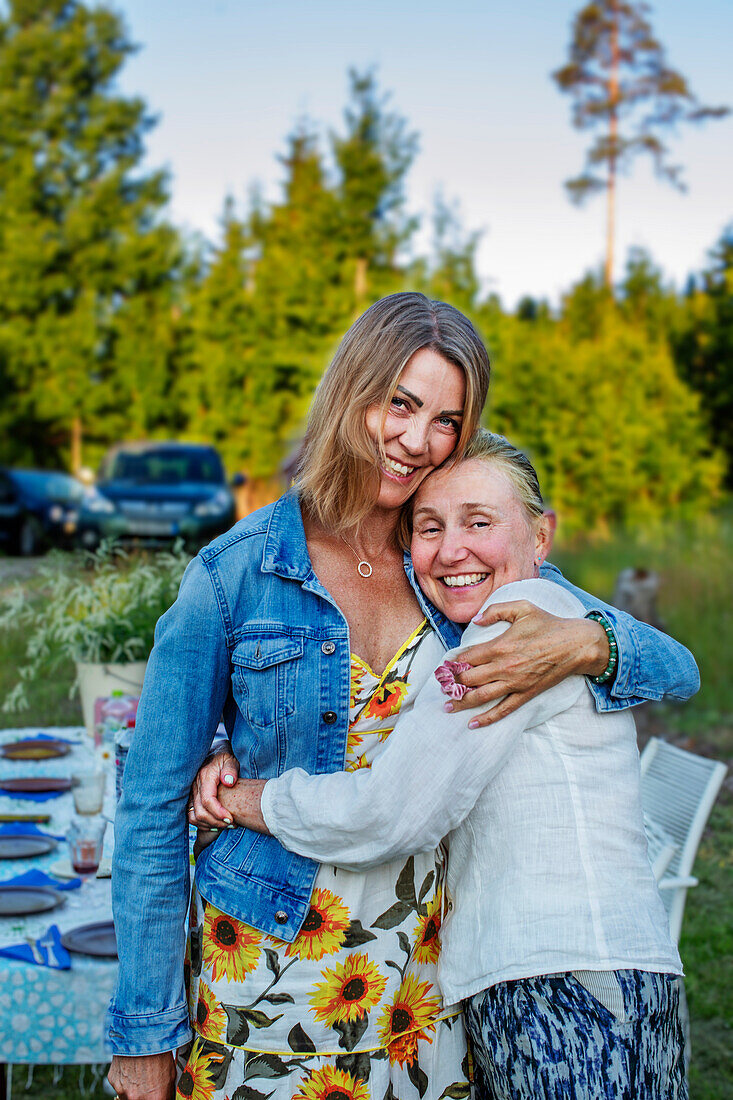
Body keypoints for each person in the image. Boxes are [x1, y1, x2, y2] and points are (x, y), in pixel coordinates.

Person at [108, 293, 697, 1100]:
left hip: (431, 986)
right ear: (351, 393)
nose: (419, 440)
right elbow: (149, 806)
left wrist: (588, 642)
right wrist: (144, 1034)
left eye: (447, 421)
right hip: (267, 980)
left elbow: (672, 666)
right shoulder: (233, 573)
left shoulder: (453, 560)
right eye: (401, 403)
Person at [204, 430, 688, 1099]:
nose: (451, 549)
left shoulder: (506, 634)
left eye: (479, 522)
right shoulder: (548, 620)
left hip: (557, 981)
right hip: (613, 974)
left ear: (540, 536)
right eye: (427, 527)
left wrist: (241, 799)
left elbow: (389, 813)